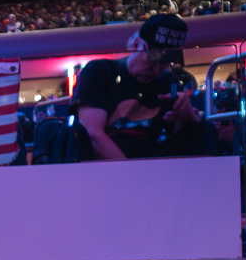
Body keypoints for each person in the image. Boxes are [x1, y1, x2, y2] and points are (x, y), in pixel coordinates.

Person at [75, 13, 216, 161]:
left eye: (164, 64)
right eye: (152, 60)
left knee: (205, 129)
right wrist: (134, 175)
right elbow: (92, 134)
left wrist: (185, 109)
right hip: (110, 168)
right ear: (136, 44)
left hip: (156, 166)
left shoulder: (168, 81)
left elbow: (186, 136)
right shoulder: (99, 71)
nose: (157, 70)